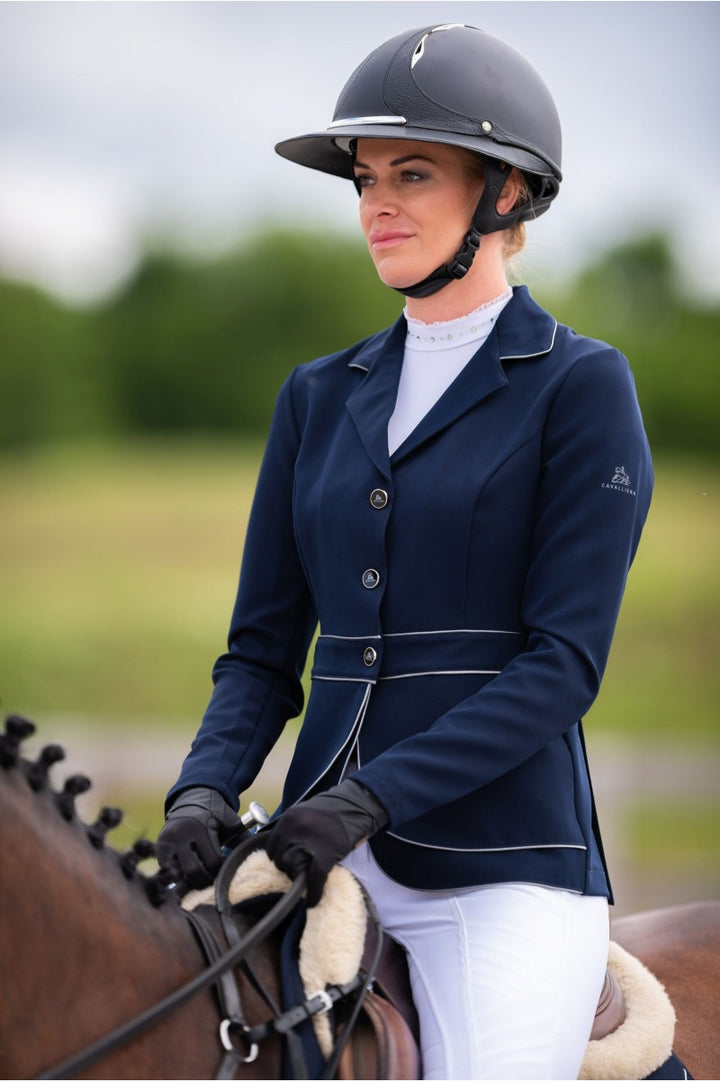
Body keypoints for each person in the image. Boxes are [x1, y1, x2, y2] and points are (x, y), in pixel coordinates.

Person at [157, 24, 653, 1080]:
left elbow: (562, 664)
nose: (377, 203)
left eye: (413, 174)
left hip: (499, 868)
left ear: (507, 193)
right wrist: (203, 787)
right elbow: (260, 649)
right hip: (313, 856)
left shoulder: (582, 386)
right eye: (366, 179)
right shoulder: (319, 394)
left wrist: (373, 794)